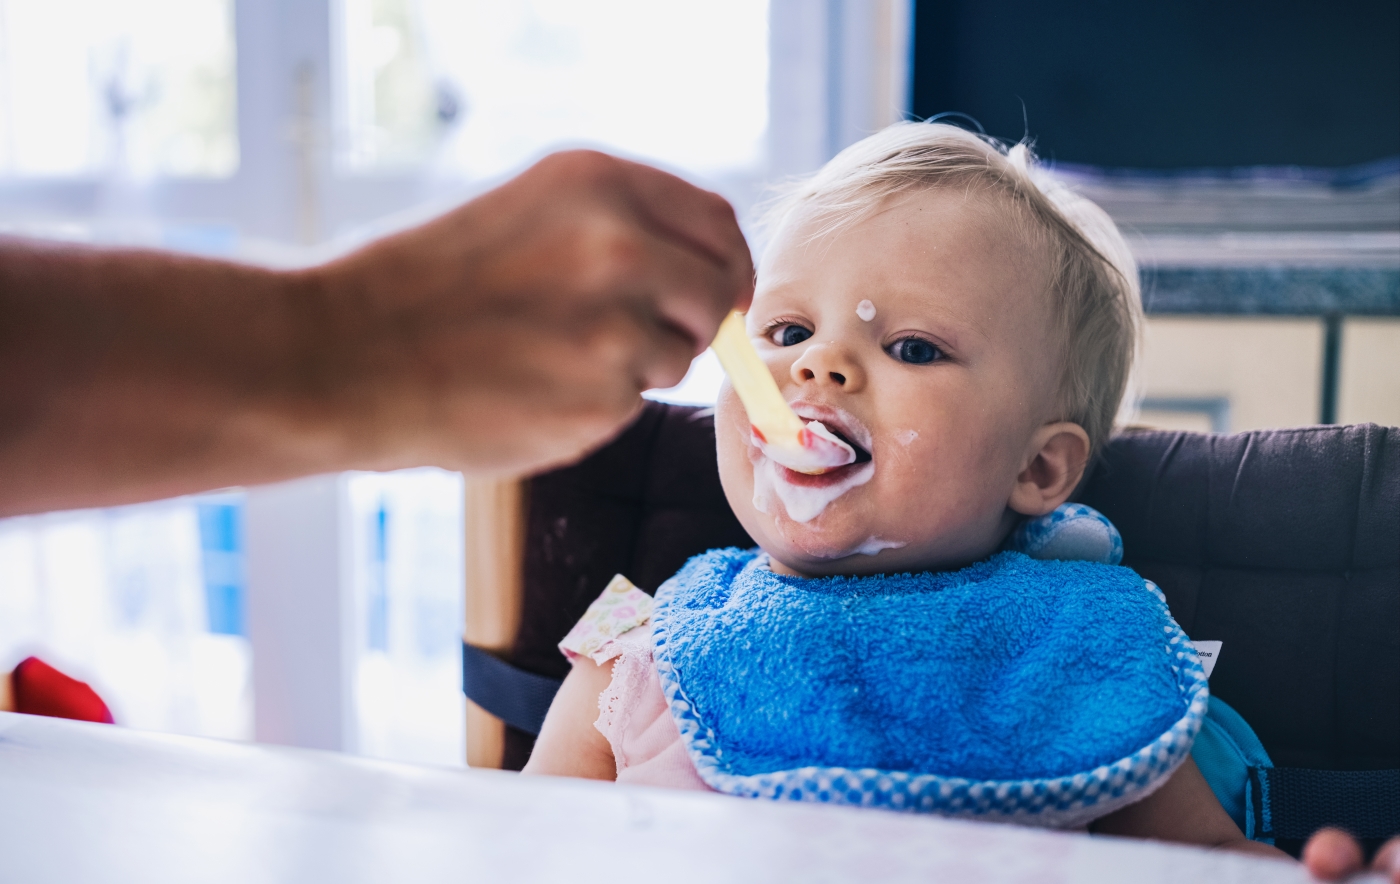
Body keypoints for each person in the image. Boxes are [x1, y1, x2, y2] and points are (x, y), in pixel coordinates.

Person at [521, 124, 1399, 882]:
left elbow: (1206, 861)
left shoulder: (1078, 655)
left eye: (911, 347)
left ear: (1041, 471)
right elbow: (512, 852)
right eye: (787, 332)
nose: (818, 366)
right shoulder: (635, 655)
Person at [0, 150, 753, 518]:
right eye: (787, 332)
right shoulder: (650, 622)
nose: (821, 369)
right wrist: (352, 341)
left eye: (882, 344)